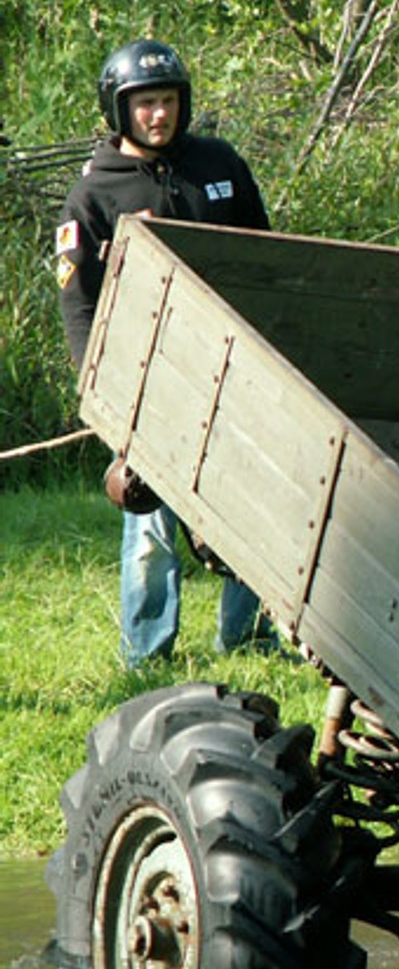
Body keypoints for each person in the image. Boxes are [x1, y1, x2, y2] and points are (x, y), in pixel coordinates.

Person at [56, 38, 274, 668]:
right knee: (149, 519)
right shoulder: (92, 196)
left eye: (169, 101)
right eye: (145, 103)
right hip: (146, 379)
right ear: (120, 109)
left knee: (253, 509)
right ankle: (148, 652)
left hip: (233, 367)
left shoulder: (219, 164)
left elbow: (266, 259)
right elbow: (79, 304)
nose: (159, 114)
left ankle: (249, 637)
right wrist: (101, 393)